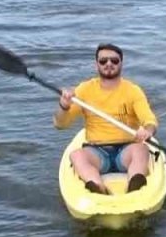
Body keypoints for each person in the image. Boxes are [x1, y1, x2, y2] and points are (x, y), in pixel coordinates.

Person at [54, 44, 158, 196]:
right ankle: (97, 187)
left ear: (121, 63)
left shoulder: (133, 91)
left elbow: (149, 120)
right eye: (103, 61)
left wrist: (147, 131)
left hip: (127, 150)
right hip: (96, 152)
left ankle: (135, 186)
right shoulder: (84, 90)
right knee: (77, 155)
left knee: (141, 150)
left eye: (114, 60)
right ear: (96, 64)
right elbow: (60, 124)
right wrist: (64, 106)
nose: (109, 64)